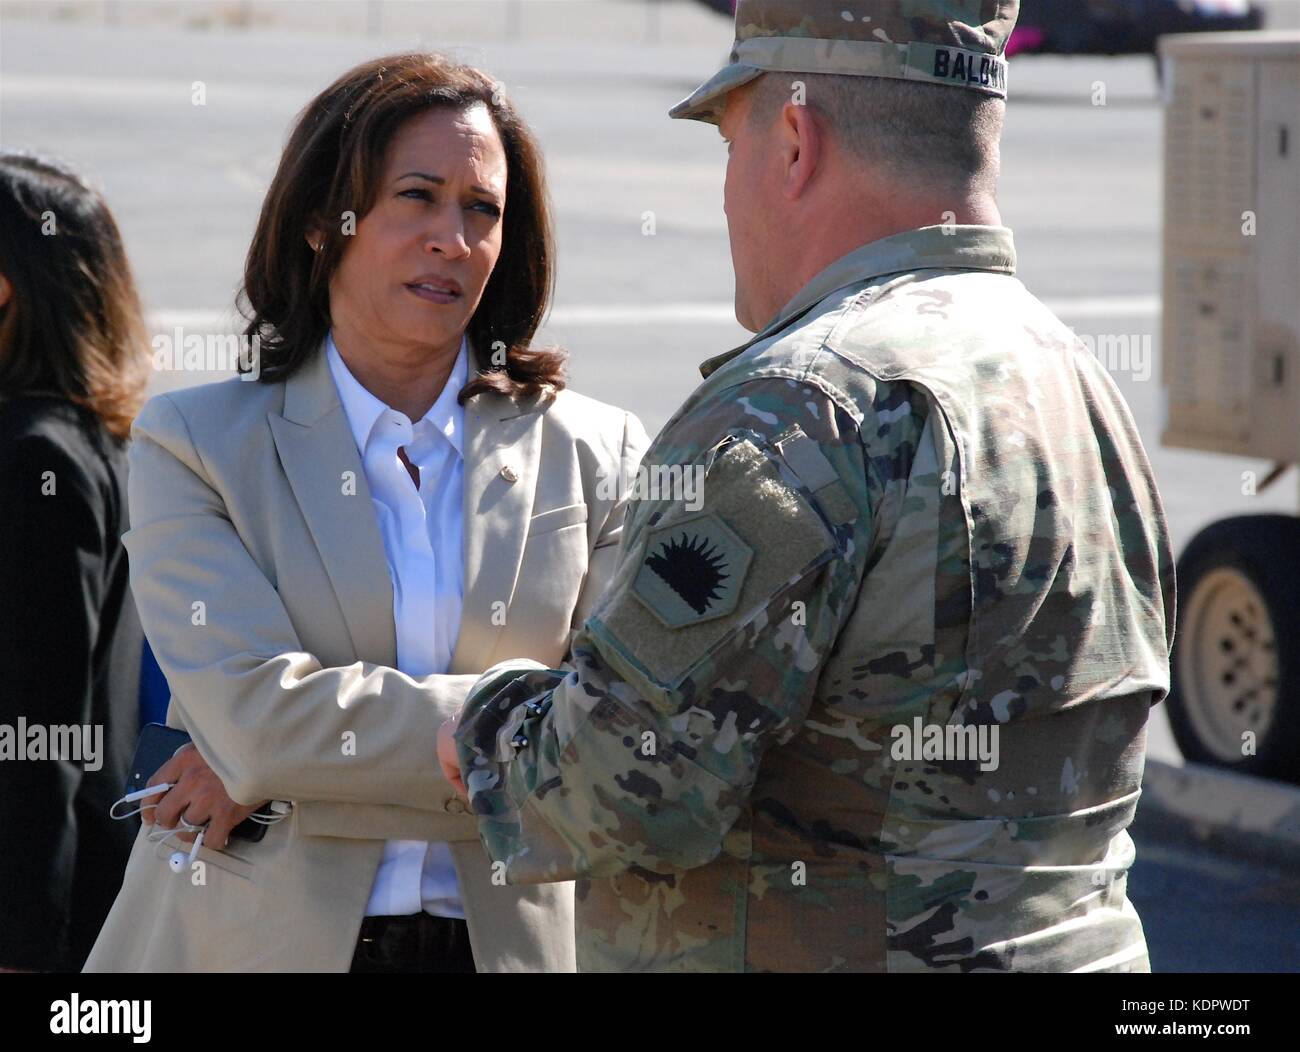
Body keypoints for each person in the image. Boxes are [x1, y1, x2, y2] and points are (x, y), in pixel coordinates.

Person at [441, 0, 1176, 973]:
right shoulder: (1078, 382)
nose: (724, 192)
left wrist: (485, 721)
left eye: (728, 143)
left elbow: (623, 788)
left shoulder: (801, 407)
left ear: (792, 139)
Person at [85, 53, 648, 973]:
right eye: (416, 196)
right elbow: (261, 721)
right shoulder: (193, 444)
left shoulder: (600, 452)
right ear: (321, 222)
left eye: (483, 209)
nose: (451, 238)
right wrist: (516, 731)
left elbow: (621, 737)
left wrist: (277, 777)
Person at [0, 152, 150, 972]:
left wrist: (23, 950)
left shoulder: (35, 461)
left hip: (43, 923)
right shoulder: (93, 442)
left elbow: (38, 737)